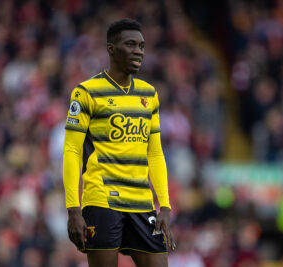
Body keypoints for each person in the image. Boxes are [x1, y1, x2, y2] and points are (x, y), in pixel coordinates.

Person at [63, 18, 176, 267]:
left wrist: (165, 205)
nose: (139, 51)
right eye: (131, 44)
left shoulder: (149, 94)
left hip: (141, 203)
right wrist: (73, 209)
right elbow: (71, 150)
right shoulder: (86, 92)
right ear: (111, 49)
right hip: (103, 200)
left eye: (142, 46)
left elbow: (155, 153)